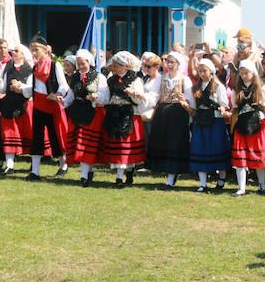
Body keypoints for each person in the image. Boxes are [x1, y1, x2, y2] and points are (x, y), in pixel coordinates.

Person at [228, 58, 265, 196]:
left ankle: (261, 186)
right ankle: (241, 188)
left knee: (258, 157)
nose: (243, 76)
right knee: (240, 157)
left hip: (258, 125)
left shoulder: (261, 88)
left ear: (253, 73)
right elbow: (235, 108)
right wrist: (228, 112)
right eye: (242, 73)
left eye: (246, 73)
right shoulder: (236, 90)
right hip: (242, 125)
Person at [99, 52, 148, 186]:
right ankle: (124, 173)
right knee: (118, 146)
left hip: (128, 115)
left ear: (125, 66)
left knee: (124, 146)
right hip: (114, 114)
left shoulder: (135, 79)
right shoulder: (111, 79)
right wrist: (98, 98)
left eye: (116, 66)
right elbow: (105, 95)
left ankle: (124, 175)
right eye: (113, 66)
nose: (113, 68)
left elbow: (139, 99)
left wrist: (134, 94)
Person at [26, 37, 69, 180]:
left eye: (36, 50)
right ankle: (35, 172)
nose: (34, 53)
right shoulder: (35, 67)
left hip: (51, 105)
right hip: (38, 104)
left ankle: (63, 165)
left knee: (55, 135)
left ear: (45, 50)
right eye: (32, 51)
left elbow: (64, 85)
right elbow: (34, 87)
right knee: (37, 137)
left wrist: (57, 94)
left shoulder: (54, 65)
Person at [146, 51, 191, 187]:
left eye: (172, 62)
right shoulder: (162, 78)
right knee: (164, 143)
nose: (169, 65)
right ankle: (167, 172)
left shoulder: (184, 79)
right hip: (163, 114)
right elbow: (154, 95)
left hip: (178, 114)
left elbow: (190, 99)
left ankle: (172, 175)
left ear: (178, 64)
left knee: (174, 144)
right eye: (168, 62)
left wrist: (186, 103)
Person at [185, 58, 231, 192]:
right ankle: (203, 183)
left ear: (211, 71)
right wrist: (186, 105)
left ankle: (222, 176)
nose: (201, 73)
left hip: (215, 121)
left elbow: (223, 104)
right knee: (200, 148)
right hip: (200, 121)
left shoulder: (218, 86)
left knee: (218, 147)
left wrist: (223, 109)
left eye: (204, 70)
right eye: (200, 71)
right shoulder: (196, 87)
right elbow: (193, 108)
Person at [0, 43, 34, 173]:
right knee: (9, 133)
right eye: (13, 51)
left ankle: (33, 163)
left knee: (28, 134)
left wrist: (19, 87)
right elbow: (3, 86)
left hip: (24, 105)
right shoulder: (7, 67)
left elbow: (31, 88)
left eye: (16, 51)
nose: (13, 53)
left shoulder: (29, 69)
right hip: (9, 104)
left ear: (23, 55)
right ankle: (10, 165)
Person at [62, 49, 104, 187]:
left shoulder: (98, 76)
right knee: (79, 143)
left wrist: (96, 97)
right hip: (77, 112)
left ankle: (85, 175)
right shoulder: (75, 77)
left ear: (89, 62)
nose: (80, 66)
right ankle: (85, 174)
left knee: (86, 144)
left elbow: (105, 95)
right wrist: (63, 101)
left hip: (92, 113)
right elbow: (71, 95)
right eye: (78, 64)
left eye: (83, 63)